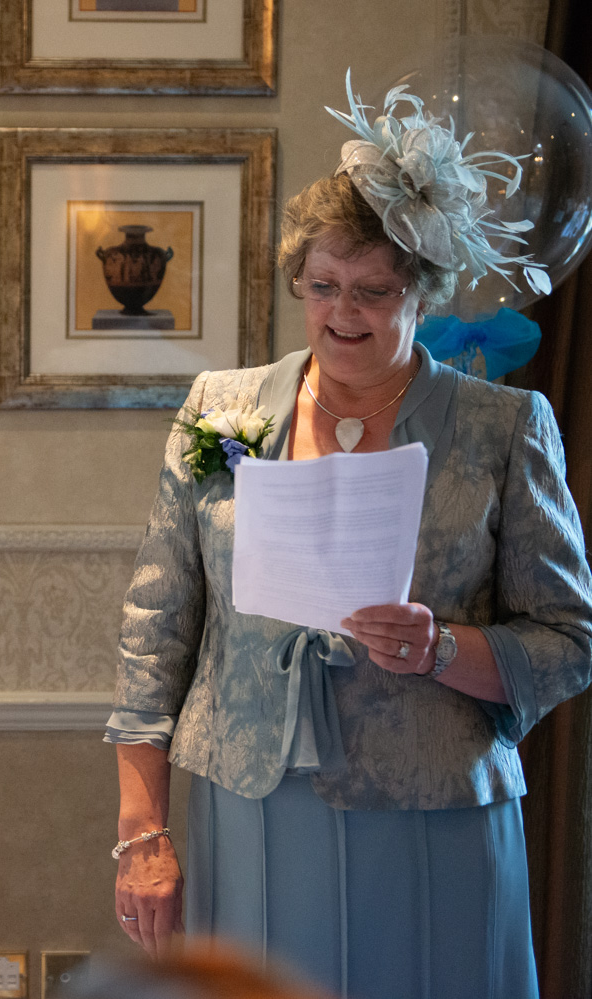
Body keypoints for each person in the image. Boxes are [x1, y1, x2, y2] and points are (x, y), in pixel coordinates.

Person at [106, 73, 592, 999]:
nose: (341, 313)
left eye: (373, 291)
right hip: (250, 808)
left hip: (435, 816)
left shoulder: (505, 427)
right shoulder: (222, 408)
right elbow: (154, 632)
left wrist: (441, 647)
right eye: (322, 287)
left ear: (424, 293)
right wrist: (142, 833)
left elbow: (569, 641)